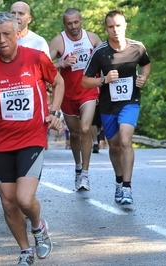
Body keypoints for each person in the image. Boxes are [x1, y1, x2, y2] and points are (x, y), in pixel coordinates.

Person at [0, 12, 64, 266]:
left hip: (32, 137)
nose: (2, 39)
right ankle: (25, 251)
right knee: (8, 203)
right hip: (1, 141)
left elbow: (58, 82)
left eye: (7, 34)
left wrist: (55, 111)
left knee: (24, 199)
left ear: (17, 34)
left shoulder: (35, 59)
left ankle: (38, 226)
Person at [82, 10, 151, 205]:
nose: (115, 30)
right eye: (111, 27)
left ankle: (127, 187)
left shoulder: (138, 48)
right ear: (106, 29)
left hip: (131, 102)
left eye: (118, 26)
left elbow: (146, 64)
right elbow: (85, 81)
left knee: (125, 139)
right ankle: (119, 180)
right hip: (108, 106)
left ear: (125, 26)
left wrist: (143, 77)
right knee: (114, 145)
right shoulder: (100, 52)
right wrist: (104, 79)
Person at [49, 8, 102, 191]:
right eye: (69, 23)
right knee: (75, 133)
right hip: (67, 94)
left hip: (88, 91)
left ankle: (85, 175)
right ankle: (78, 167)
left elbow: (106, 60)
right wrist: (62, 63)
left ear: (81, 20)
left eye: (76, 22)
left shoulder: (93, 38)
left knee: (86, 129)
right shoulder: (58, 41)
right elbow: (44, 67)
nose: (73, 26)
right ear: (64, 24)